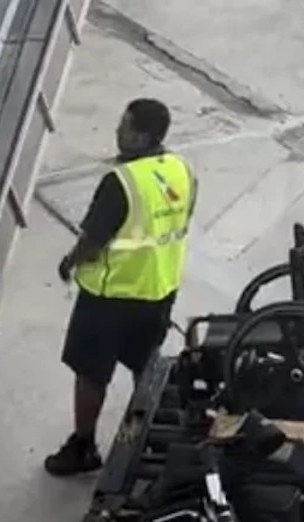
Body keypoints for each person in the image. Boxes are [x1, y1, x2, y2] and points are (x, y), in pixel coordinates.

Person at [44, 97, 197, 477]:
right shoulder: (181, 170)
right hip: (159, 290)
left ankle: (83, 447)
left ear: (143, 137)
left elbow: (93, 239)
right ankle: (157, 442)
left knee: (91, 372)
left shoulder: (121, 183)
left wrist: (69, 263)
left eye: (125, 126)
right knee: (145, 367)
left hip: (109, 298)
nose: (117, 131)